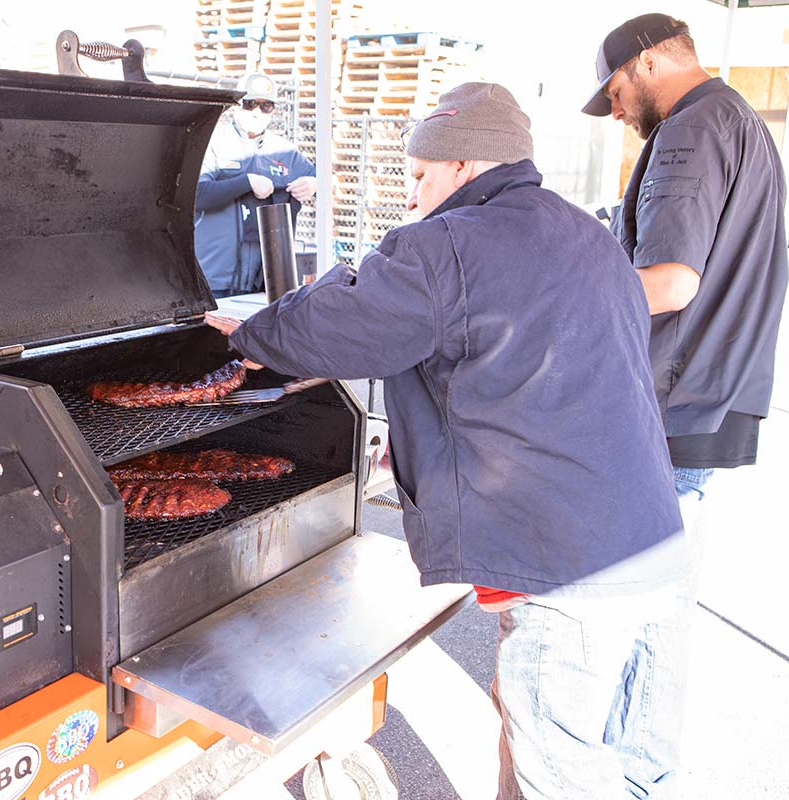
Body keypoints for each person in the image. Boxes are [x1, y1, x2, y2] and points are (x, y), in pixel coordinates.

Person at [205, 83, 690, 799]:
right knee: (554, 742)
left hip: (569, 570)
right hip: (643, 548)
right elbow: (515, 372)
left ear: (464, 164)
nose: (411, 197)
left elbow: (346, 322)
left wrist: (249, 336)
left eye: (421, 175)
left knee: (561, 772)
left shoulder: (451, 244)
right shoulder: (582, 233)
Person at [580, 12, 789, 794]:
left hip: (676, 407)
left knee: (641, 614)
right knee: (661, 607)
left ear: (646, 63)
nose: (618, 113)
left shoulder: (693, 129)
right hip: (711, 398)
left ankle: (636, 779)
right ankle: (643, 775)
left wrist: (560, 297)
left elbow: (669, 281)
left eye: (616, 93)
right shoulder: (743, 121)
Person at [194, 72, 317, 297]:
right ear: (236, 106)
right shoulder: (212, 143)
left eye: (266, 106)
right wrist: (246, 182)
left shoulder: (284, 151)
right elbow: (197, 195)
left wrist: (313, 182)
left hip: (267, 279)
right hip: (217, 277)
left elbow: (321, 174)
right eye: (250, 104)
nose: (257, 113)